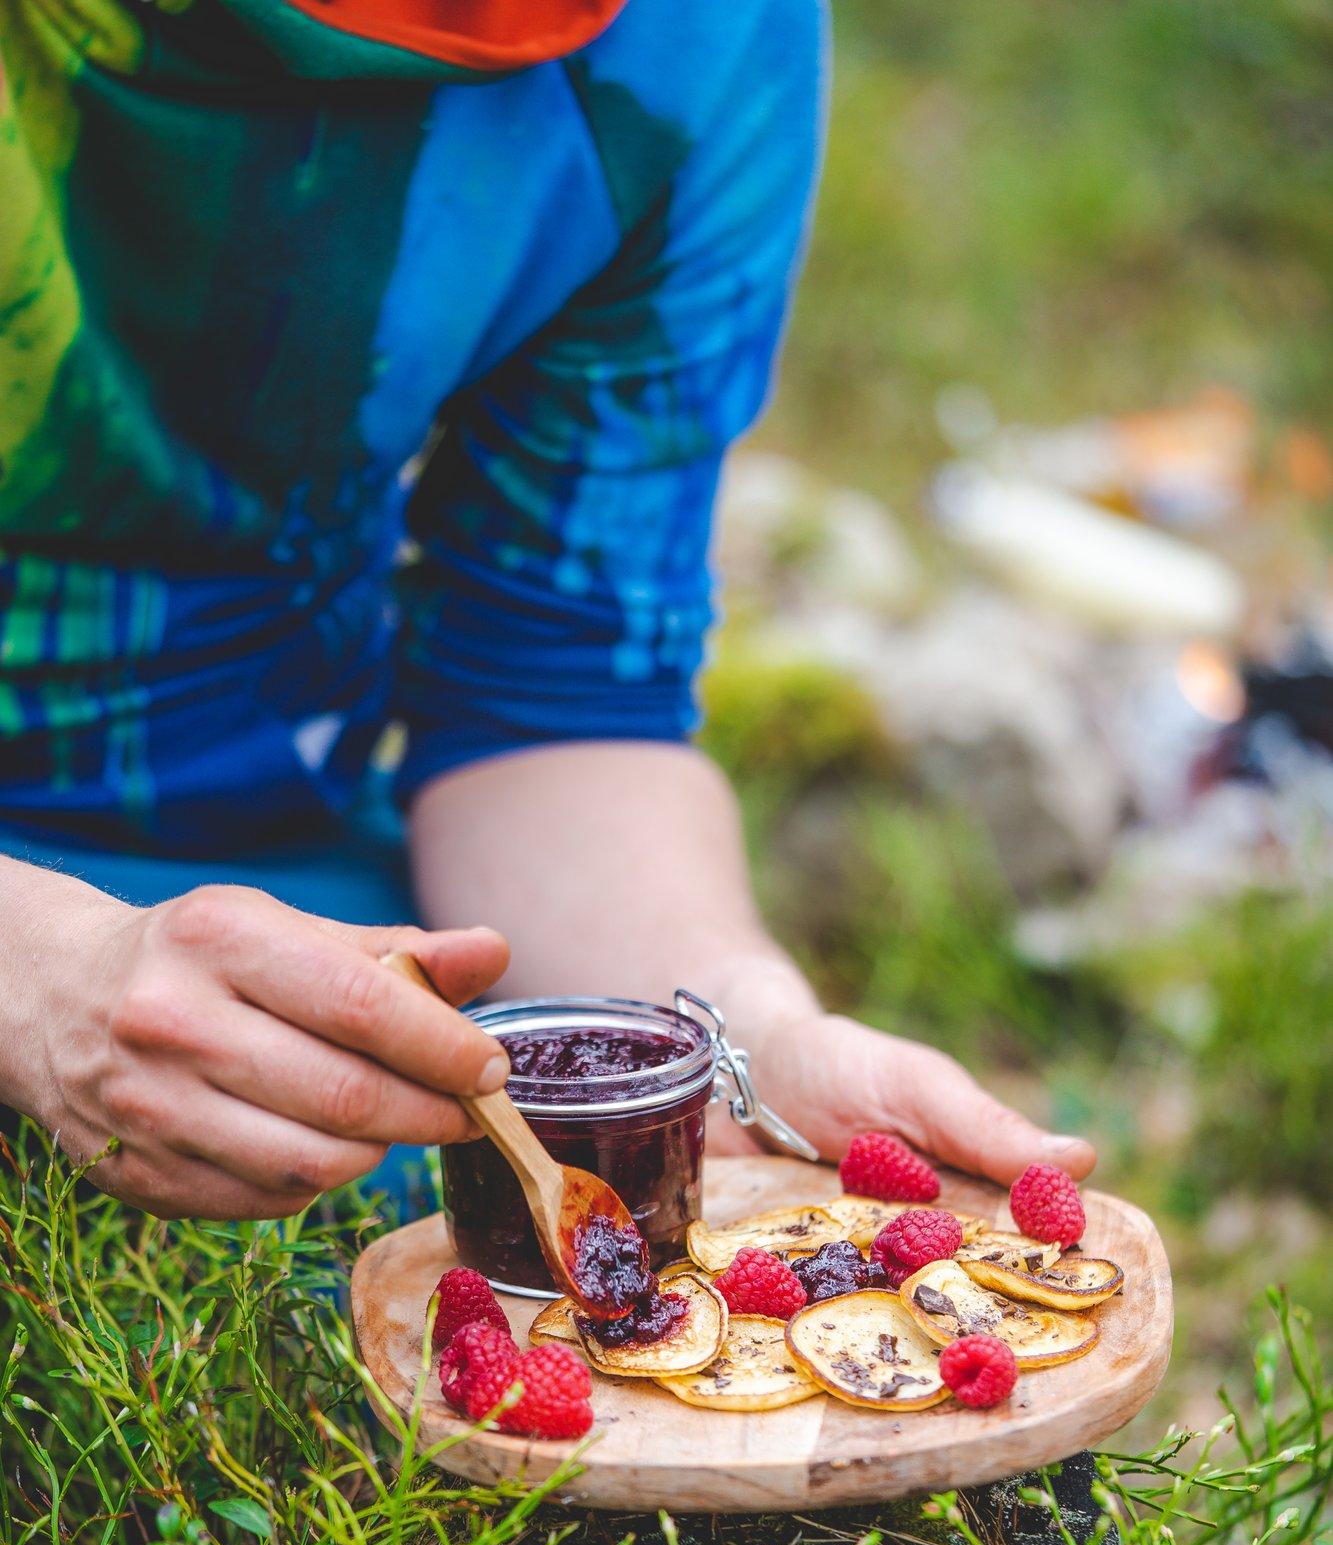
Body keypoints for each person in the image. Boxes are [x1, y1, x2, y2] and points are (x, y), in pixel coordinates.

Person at [0, 0, 1094, 1220]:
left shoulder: (707, 37)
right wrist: (38, 977)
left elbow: (547, 686)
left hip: (287, 935)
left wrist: (734, 1045)